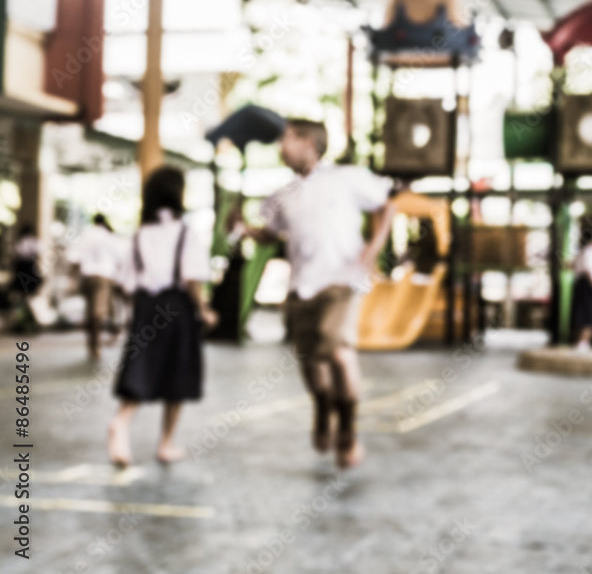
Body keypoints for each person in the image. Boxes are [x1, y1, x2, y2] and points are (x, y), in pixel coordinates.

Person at [243, 119, 394, 469]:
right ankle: (324, 407)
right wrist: (243, 228)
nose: (281, 147)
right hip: (301, 287)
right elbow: (270, 234)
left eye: (287, 140)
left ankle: (348, 432)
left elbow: (388, 204)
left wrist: (372, 250)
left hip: (342, 282)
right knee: (310, 362)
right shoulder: (282, 195)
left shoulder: (348, 178)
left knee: (339, 352)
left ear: (308, 142)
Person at [107, 167, 216, 467]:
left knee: (142, 368)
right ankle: (166, 443)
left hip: (145, 308)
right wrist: (204, 310)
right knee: (178, 372)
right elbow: (193, 278)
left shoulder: (140, 235)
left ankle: (122, 421)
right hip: (177, 307)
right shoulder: (185, 233)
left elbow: (126, 282)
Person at [70, 214, 125, 362]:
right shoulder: (110, 237)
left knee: (91, 311)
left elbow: (74, 259)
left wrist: (72, 280)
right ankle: (95, 344)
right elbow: (120, 259)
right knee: (97, 313)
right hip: (103, 276)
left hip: (87, 277)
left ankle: (93, 344)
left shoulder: (85, 235)